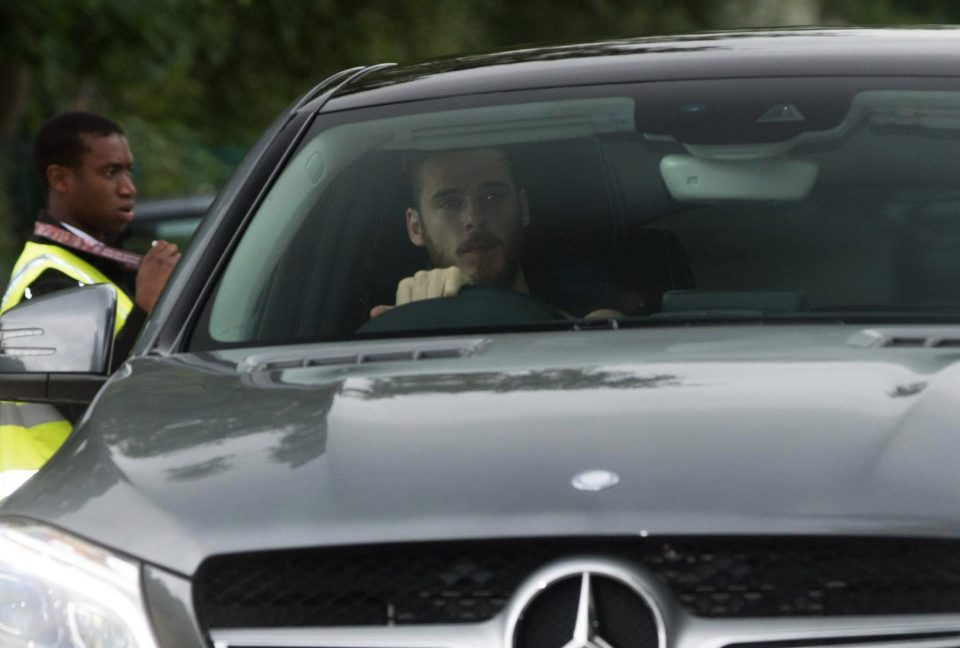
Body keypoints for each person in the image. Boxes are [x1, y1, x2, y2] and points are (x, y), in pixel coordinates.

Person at [0, 111, 180, 499]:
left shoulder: (96, 268)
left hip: (83, 493)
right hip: (47, 499)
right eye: (110, 172)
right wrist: (147, 306)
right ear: (60, 179)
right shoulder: (47, 281)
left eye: (129, 171)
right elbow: (97, 409)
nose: (128, 188)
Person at [370, 147, 621, 319]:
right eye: (450, 203)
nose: (474, 219)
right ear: (415, 227)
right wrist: (412, 324)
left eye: (493, 196)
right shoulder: (392, 319)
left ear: (523, 208)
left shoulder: (586, 301)